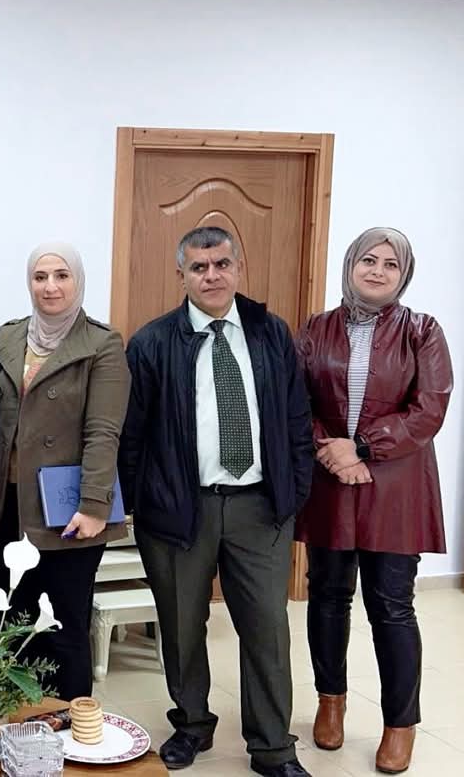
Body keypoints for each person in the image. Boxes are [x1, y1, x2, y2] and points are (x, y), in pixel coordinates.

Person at [118, 226, 313, 777]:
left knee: (267, 629)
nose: (212, 276)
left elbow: (296, 417)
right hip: (180, 509)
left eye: (222, 264)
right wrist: (139, 503)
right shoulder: (153, 342)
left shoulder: (270, 333)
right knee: (182, 626)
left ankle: (272, 748)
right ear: (181, 275)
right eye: (199, 268)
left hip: (260, 508)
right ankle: (192, 725)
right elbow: (132, 436)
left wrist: (294, 491)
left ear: (238, 267)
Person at [296, 228, 452, 775]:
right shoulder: (317, 328)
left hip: (396, 485)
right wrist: (333, 451)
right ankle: (330, 702)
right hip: (331, 480)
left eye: (391, 264)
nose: (378, 270)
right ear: (351, 265)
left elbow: (430, 408)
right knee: (328, 595)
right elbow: (295, 400)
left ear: (403, 274)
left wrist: (362, 447)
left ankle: (400, 725)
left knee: (391, 605)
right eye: (369, 259)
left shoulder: (423, 331)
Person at [0, 242, 130, 700]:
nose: (50, 287)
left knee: (62, 627)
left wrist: (94, 505)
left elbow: (103, 431)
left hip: (66, 510)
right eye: (40, 276)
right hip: (7, 508)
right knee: (9, 623)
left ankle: (69, 722)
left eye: (61, 275)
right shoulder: (8, 337)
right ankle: (12, 720)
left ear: (78, 281)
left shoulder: (102, 344)